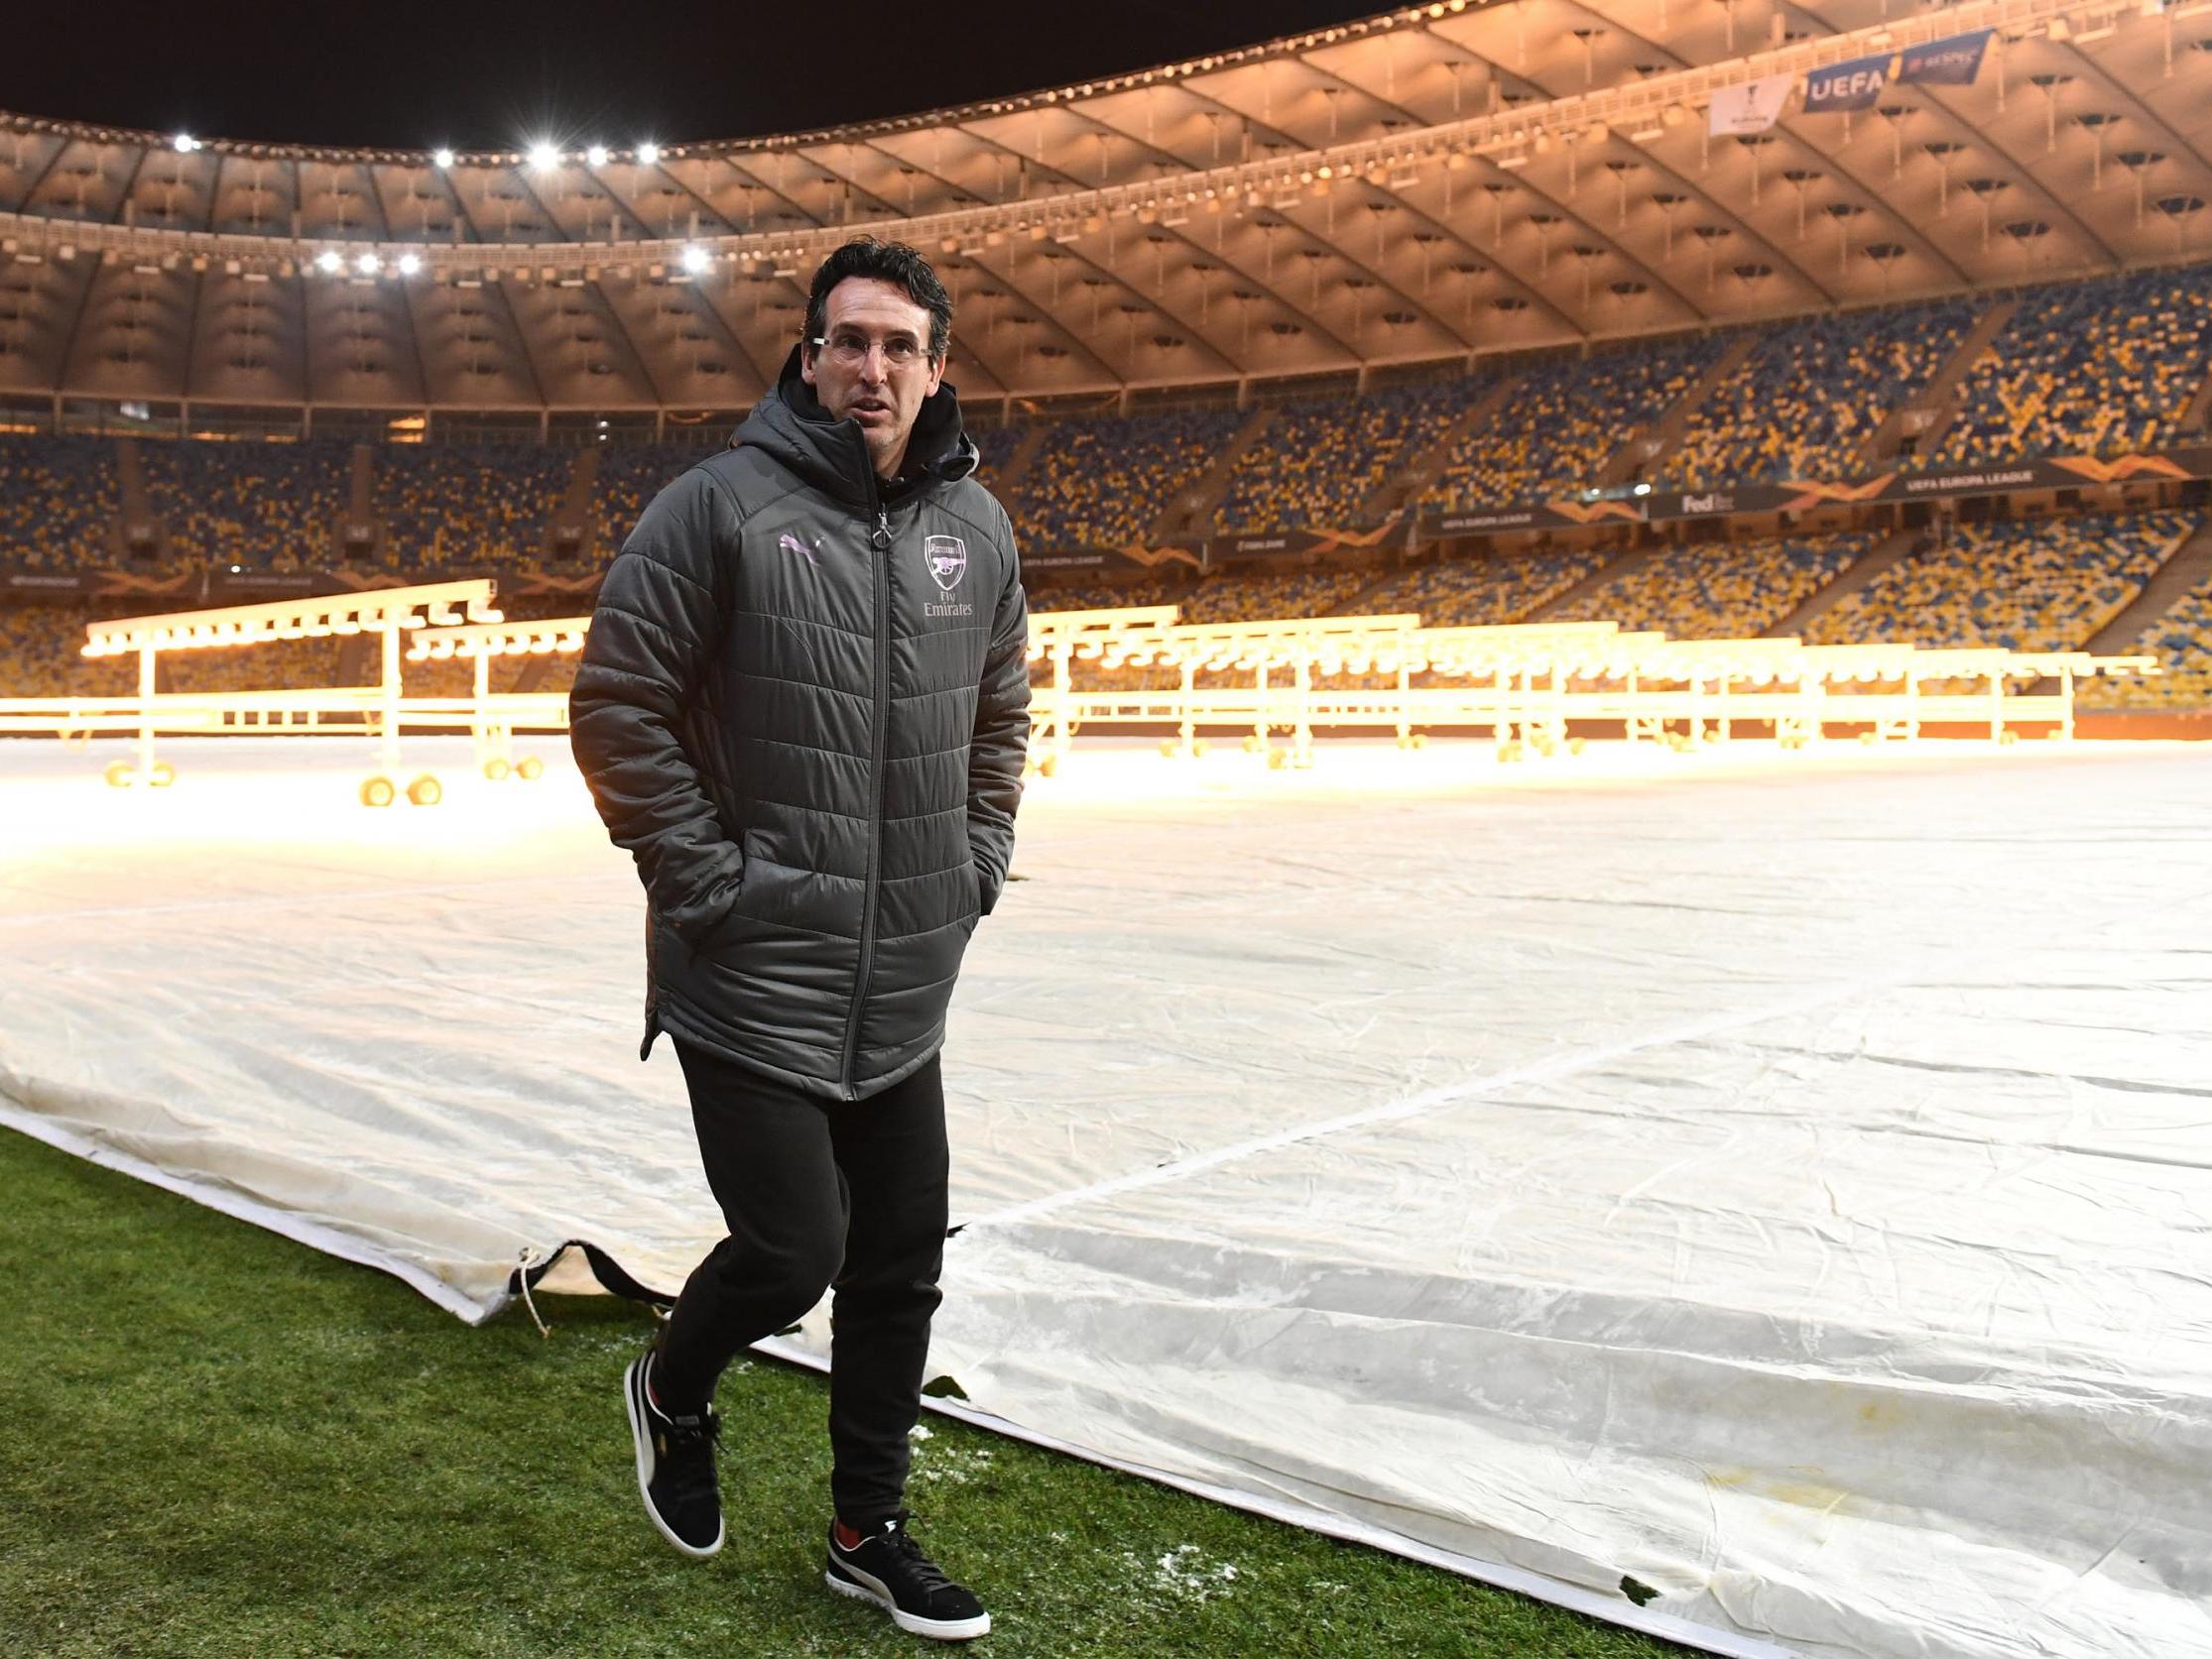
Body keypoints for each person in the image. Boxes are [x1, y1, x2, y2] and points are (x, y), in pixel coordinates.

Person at [569, 236, 1029, 1642]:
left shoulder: (978, 530)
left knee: (899, 1264)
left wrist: (975, 864)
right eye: (848, 341)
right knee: (793, 1250)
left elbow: (1001, 714)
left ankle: (863, 1532)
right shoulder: (716, 507)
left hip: (904, 976)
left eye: (899, 345)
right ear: (808, 356)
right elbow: (617, 707)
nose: (871, 367)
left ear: (936, 366)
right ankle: (673, 1383)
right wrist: (713, 884)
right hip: (752, 966)